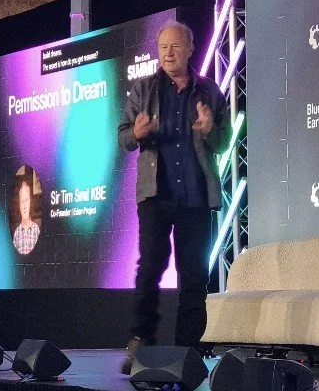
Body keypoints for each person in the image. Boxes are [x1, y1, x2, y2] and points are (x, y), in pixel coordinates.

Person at [117, 21, 231, 374]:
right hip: (156, 195)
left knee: (194, 276)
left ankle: (188, 350)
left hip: (195, 198)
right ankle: (141, 341)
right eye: (163, 46)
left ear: (190, 48)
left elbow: (225, 142)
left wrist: (210, 130)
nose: (168, 53)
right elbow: (123, 138)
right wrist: (137, 133)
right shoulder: (144, 89)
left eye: (175, 46)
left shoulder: (209, 91)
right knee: (150, 267)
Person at [13, 180, 40, 255]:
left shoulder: (36, 230)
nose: (24, 206)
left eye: (26, 200)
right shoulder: (16, 234)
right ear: (19, 205)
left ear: (30, 202)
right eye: (22, 202)